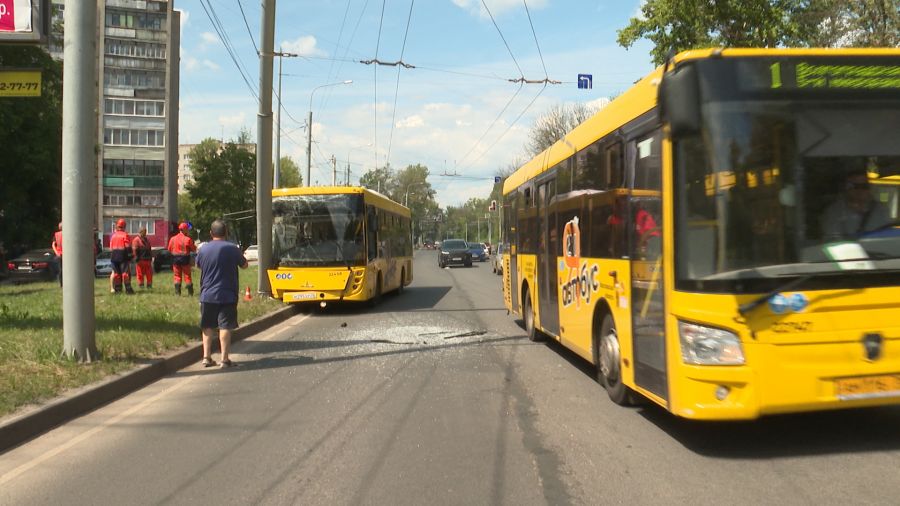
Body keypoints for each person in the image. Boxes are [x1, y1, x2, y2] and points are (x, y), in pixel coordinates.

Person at [196, 219, 248, 368]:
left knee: (207, 326)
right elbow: (244, 265)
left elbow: (198, 265)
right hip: (227, 294)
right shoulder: (232, 248)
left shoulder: (203, 249)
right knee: (224, 326)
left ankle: (206, 357)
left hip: (207, 294)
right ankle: (224, 359)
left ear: (211, 233)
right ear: (226, 233)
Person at [821, 170, 891, 241]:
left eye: (864, 186)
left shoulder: (881, 210)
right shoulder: (834, 212)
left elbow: (887, 237)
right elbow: (832, 240)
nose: (859, 190)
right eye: (854, 186)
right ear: (845, 188)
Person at [167, 222, 197, 296]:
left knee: (177, 276)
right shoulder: (188, 239)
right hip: (185, 260)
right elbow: (193, 249)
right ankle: (190, 294)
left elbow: (169, 249)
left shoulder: (172, 239)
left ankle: (177, 293)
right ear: (185, 230)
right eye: (187, 229)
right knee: (187, 276)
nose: (188, 231)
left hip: (175, 260)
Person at [109, 218, 135, 294]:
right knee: (125, 273)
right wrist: (131, 256)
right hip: (123, 256)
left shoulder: (113, 236)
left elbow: (111, 248)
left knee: (116, 274)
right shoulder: (125, 235)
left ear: (117, 226)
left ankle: (118, 289)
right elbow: (127, 246)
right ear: (124, 226)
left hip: (114, 257)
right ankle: (128, 289)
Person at [51, 221, 63, 286]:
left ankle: (61, 284)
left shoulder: (56, 234)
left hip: (59, 254)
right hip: (66, 254)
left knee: (60, 269)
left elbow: (53, 245)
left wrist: (56, 252)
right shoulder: (68, 233)